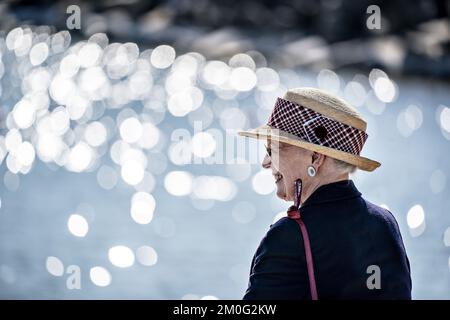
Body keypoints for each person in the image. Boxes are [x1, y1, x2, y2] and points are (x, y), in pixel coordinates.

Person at [238, 87, 412, 299]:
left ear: (315, 158)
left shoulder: (289, 237)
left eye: (272, 149)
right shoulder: (386, 224)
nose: (265, 163)